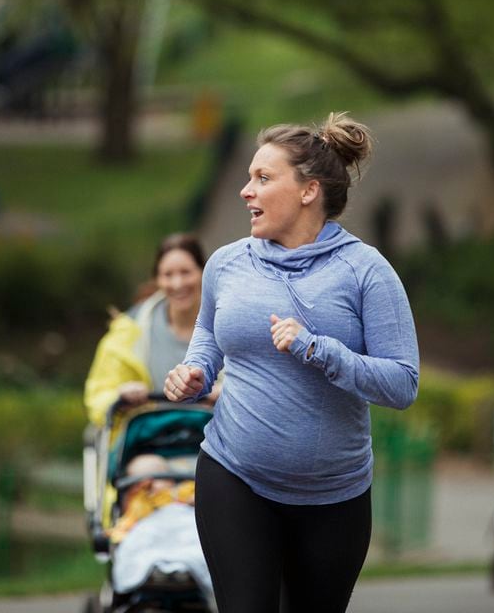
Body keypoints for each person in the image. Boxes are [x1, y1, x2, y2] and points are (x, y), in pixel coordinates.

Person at [165, 112, 420, 613]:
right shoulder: (226, 263)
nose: (245, 191)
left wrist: (320, 350)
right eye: (247, 177)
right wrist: (195, 372)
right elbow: (208, 337)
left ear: (309, 190)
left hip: (335, 498)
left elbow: (402, 383)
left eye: (263, 178)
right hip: (234, 475)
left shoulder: (366, 271)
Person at [84, 233, 218, 428]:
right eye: (168, 275)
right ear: (157, 279)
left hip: (215, 438)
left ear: (203, 272)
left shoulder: (228, 324)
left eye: (186, 272)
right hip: (152, 441)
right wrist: (120, 395)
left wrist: (229, 391)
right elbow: (97, 397)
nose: (177, 283)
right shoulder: (128, 330)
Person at [110, 453, 211, 595]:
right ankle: (148, 565)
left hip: (181, 523)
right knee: (138, 540)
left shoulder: (179, 492)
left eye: (157, 478)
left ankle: (187, 562)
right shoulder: (137, 501)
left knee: (198, 536)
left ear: (170, 479)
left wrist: (188, 501)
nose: (150, 486)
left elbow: (199, 499)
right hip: (150, 527)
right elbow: (128, 519)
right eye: (141, 483)